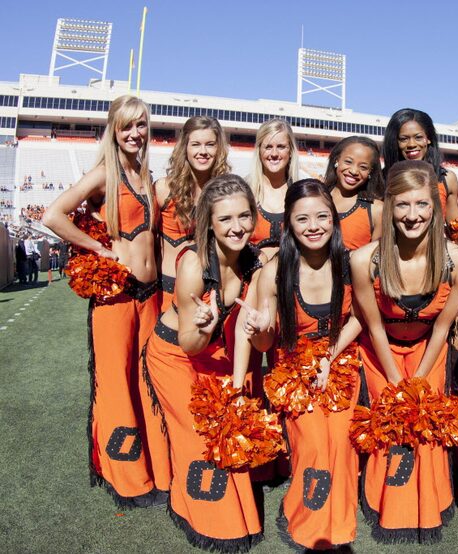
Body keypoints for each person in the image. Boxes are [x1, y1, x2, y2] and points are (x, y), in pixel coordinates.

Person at [43, 95, 167, 507]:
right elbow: (52, 215)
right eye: (127, 126)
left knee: (148, 381)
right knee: (115, 383)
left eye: (141, 125)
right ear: (113, 130)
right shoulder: (102, 175)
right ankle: (127, 477)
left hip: (151, 296)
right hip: (116, 296)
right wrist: (98, 250)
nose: (135, 134)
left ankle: (158, 467)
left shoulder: (147, 176)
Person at [233, 180, 363, 550]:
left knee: (339, 441)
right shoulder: (274, 272)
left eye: (323, 216)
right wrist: (259, 329)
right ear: (288, 223)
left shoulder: (350, 262)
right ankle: (305, 517)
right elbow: (266, 343)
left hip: (337, 361)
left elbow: (360, 317)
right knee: (313, 446)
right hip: (293, 370)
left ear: (335, 219)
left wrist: (329, 357)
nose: (314, 226)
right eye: (302, 218)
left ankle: (339, 521)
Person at [350, 160, 458, 542]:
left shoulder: (457, 261)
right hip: (380, 352)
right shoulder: (364, 260)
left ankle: (428, 505)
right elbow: (372, 325)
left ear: (434, 208)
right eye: (402, 205)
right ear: (388, 206)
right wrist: (396, 380)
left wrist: (418, 379)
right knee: (389, 425)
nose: (412, 215)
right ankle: (385, 505)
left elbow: (441, 327)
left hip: (427, 353)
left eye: (422, 205)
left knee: (425, 428)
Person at [143, 174, 264, 551]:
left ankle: (234, 512)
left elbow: (248, 328)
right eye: (225, 219)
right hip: (174, 355)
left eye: (244, 216)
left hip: (213, 356)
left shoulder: (253, 261)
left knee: (229, 421)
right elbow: (189, 343)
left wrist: (238, 385)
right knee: (200, 435)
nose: (237, 227)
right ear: (208, 223)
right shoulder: (194, 265)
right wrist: (206, 326)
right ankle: (201, 515)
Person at [156, 116, 231, 312]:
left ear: (219, 149)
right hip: (166, 289)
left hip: (208, 289)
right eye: (196, 144)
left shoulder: (226, 192)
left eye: (210, 144)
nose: (203, 152)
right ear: (185, 148)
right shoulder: (164, 188)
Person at [382, 108, 458, 224]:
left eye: (418, 137)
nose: (412, 144)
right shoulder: (382, 179)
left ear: (428, 139)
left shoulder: (447, 179)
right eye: (404, 139)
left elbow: (455, 228)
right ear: (395, 142)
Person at [248, 118, 300, 261]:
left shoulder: (301, 193)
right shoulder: (244, 191)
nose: (274, 153)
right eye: (268, 147)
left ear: (290, 151)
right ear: (259, 150)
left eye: (281, 146)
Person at [322, 136, 384, 250]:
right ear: (336, 160)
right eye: (348, 162)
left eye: (363, 167)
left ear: (371, 172)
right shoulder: (315, 197)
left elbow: (375, 260)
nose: (354, 171)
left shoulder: (377, 209)